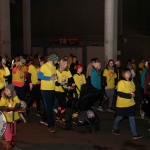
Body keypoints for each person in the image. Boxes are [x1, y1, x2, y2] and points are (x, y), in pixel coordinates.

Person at [112, 68, 144, 140]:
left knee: (132, 118)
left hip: (131, 104)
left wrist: (134, 95)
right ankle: (114, 128)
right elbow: (119, 93)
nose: (129, 74)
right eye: (127, 73)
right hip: (122, 104)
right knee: (119, 117)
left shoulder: (132, 82)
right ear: (123, 74)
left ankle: (135, 134)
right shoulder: (121, 82)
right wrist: (129, 96)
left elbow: (134, 91)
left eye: (129, 72)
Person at [38, 54, 58, 133]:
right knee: (49, 108)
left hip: (52, 89)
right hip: (45, 89)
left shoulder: (54, 67)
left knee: (49, 107)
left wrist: (56, 77)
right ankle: (51, 125)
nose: (57, 61)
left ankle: (43, 118)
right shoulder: (44, 66)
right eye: (56, 60)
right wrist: (50, 78)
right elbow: (40, 76)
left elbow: (54, 76)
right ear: (52, 59)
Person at [0, 84, 21, 150]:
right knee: (7, 129)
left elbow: (18, 103)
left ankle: (13, 137)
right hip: (6, 117)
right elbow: (0, 106)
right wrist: (5, 108)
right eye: (5, 90)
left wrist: (15, 107)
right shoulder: (3, 98)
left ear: (11, 91)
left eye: (7, 90)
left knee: (13, 128)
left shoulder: (14, 97)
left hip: (14, 116)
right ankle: (8, 142)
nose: (5, 91)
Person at [55, 59, 74, 123]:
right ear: (61, 64)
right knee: (63, 103)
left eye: (67, 64)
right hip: (57, 89)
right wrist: (60, 84)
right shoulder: (56, 71)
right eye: (65, 64)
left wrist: (73, 83)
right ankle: (62, 117)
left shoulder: (67, 71)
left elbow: (71, 79)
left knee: (61, 103)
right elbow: (54, 82)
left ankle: (58, 116)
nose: (66, 65)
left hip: (64, 89)